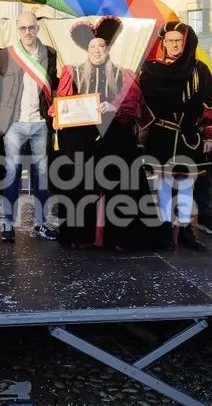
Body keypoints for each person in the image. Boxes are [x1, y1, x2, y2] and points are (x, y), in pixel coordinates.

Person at [52, 16, 162, 250]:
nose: (97, 50)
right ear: (86, 49)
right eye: (92, 46)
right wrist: (59, 115)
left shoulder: (125, 74)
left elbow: (133, 104)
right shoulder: (73, 72)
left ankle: (121, 238)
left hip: (115, 137)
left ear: (107, 48)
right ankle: (81, 236)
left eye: (101, 46)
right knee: (81, 183)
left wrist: (114, 107)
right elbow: (62, 103)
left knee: (121, 181)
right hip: (82, 139)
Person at [140, 21, 212, 249]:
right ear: (163, 43)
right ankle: (167, 230)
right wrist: (142, 128)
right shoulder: (150, 70)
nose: (173, 45)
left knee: (188, 185)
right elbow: (140, 101)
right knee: (163, 185)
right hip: (160, 135)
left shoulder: (199, 70)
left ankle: (186, 230)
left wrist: (210, 134)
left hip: (188, 137)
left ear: (186, 42)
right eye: (169, 41)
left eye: (178, 40)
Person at [0, 12, 59, 243]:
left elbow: (54, 84)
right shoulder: (6, 54)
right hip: (15, 124)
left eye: (31, 27)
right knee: (12, 174)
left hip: (41, 123)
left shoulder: (50, 53)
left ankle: (41, 224)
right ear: (17, 29)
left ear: (38, 28)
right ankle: (8, 224)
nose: (28, 32)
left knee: (40, 175)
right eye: (23, 28)